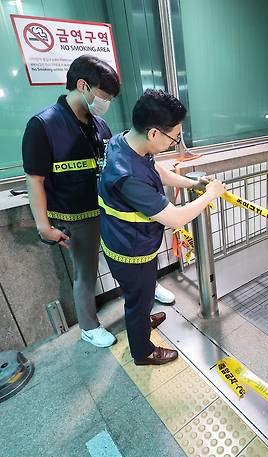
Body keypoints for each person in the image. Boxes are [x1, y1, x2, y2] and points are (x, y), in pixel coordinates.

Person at [22, 55, 178, 349]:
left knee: (128, 260)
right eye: (104, 95)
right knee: (86, 271)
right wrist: (44, 226)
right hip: (76, 216)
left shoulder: (101, 126)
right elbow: (35, 179)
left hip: (109, 211)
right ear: (83, 86)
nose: (106, 101)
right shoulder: (44, 125)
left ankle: (143, 298)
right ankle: (89, 326)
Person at [98, 89, 225, 365]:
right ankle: (143, 351)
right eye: (173, 137)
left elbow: (156, 171)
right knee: (138, 300)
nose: (175, 142)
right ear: (154, 133)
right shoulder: (127, 174)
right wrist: (211, 194)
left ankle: (142, 322)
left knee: (141, 294)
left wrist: (192, 184)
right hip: (130, 251)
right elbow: (176, 218)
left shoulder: (126, 142)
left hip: (129, 242)